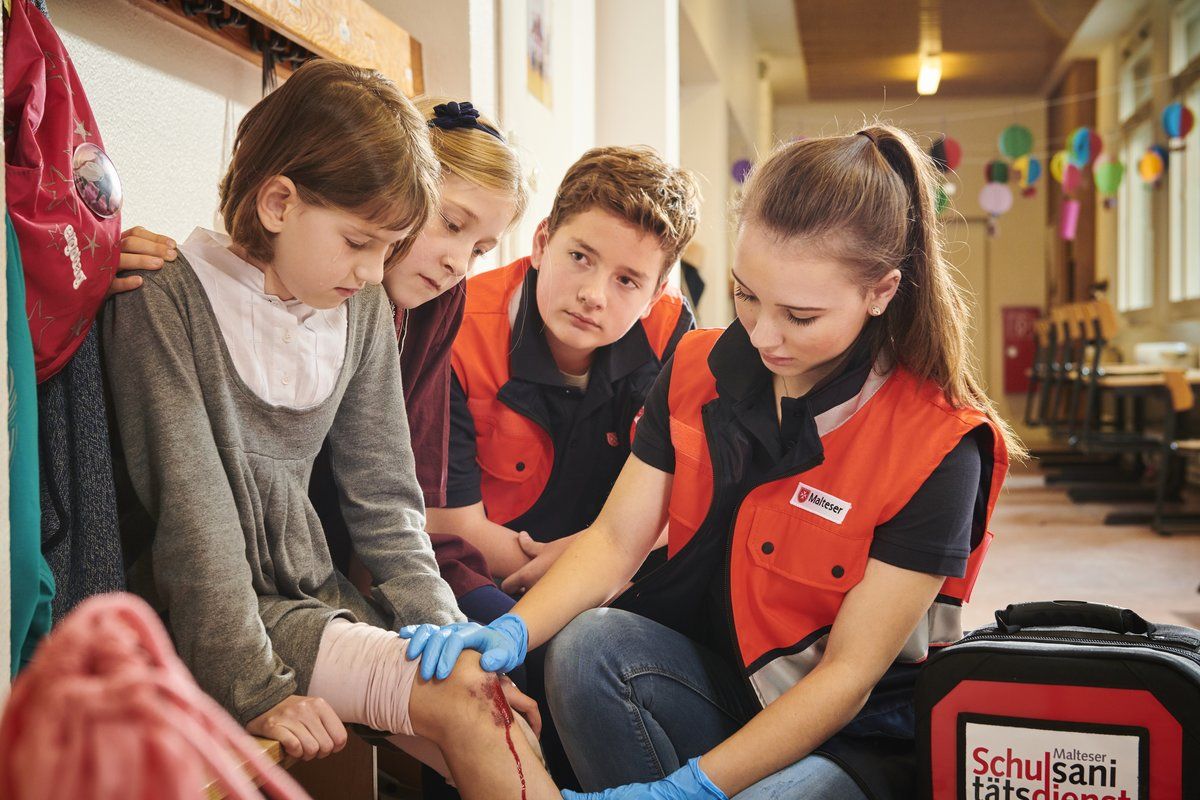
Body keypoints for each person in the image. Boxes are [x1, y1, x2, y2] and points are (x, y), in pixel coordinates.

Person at [401, 124, 1019, 800]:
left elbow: (846, 680)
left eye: (800, 316)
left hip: (855, 732)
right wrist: (514, 632)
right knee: (585, 647)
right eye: (747, 296)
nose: (762, 335)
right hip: (723, 682)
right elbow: (614, 541)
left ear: (881, 291)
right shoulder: (697, 367)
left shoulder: (939, 446)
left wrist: (690, 787)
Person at [104, 60, 558, 799]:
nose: (378, 271)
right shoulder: (163, 302)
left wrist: (448, 632)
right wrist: (256, 689)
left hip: (308, 602)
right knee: (475, 708)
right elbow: (197, 522)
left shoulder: (361, 308)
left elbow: (386, 496)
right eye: (360, 243)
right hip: (207, 620)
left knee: (489, 696)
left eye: (390, 247)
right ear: (279, 202)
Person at [427, 146, 699, 592]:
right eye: (580, 258)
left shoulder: (674, 334)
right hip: (484, 576)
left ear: (654, 295)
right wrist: (580, 568)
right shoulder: (459, 331)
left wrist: (593, 561)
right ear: (541, 243)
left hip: (618, 574)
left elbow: (693, 497)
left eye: (627, 280)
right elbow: (451, 526)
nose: (594, 294)